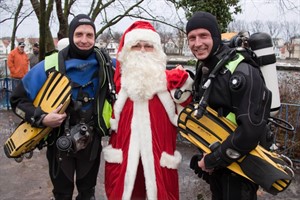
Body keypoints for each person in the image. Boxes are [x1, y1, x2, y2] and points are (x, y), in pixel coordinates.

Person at [10, 14, 115, 200]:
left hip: (92, 142)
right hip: (59, 141)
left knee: (87, 193)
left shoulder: (105, 65)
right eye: (79, 34)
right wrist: (42, 118)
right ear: (71, 36)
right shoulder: (49, 66)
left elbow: (142, 67)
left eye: (89, 35)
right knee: (62, 194)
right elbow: (17, 100)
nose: (84, 40)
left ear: (95, 37)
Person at [186, 11, 272, 200]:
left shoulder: (242, 70)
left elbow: (251, 131)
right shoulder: (207, 69)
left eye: (203, 36)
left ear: (215, 37)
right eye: (191, 38)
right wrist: (208, 159)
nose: (197, 43)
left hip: (241, 168)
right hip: (219, 165)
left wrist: (211, 160)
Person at [103, 21, 193, 200]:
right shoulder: (117, 86)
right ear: (128, 52)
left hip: (160, 160)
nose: (142, 50)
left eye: (148, 46)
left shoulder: (170, 84)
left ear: (157, 51)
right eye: (136, 46)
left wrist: (185, 82)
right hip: (125, 161)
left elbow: (187, 115)